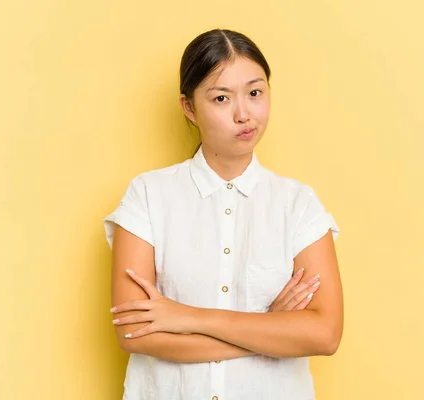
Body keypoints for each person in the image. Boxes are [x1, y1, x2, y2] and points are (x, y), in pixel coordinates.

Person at [103, 28, 343, 400]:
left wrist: (188, 317)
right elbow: (135, 332)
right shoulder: (147, 196)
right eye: (220, 98)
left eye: (254, 93)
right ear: (189, 107)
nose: (243, 114)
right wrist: (270, 330)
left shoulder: (299, 204)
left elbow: (325, 334)